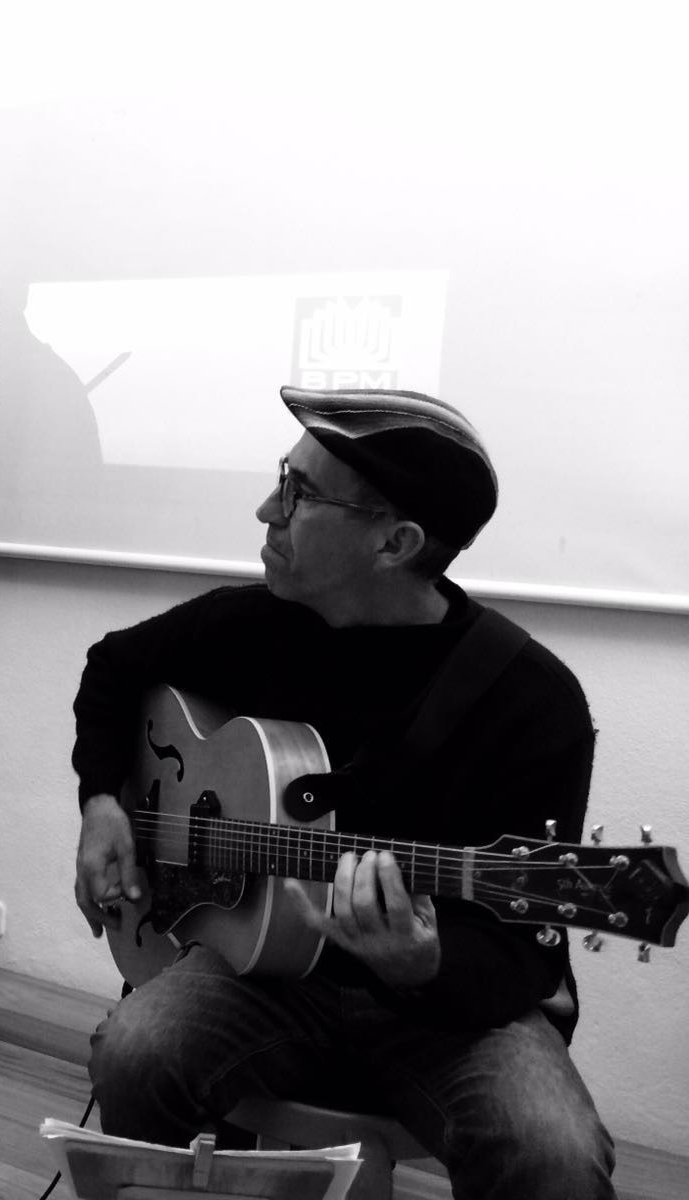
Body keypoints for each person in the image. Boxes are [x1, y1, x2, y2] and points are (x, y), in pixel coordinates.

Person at [71, 387, 616, 1199]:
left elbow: (523, 955)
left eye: (299, 493)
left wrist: (423, 959)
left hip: (447, 1017)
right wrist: (102, 804)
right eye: (280, 478)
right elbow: (113, 669)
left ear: (395, 542)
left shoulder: (532, 702)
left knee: (555, 1158)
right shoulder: (255, 624)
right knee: (133, 1053)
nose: (267, 509)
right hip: (265, 982)